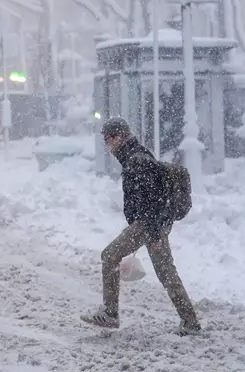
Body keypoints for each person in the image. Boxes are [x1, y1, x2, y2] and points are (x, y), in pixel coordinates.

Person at [81, 118, 200, 335]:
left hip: (149, 224)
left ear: (121, 136)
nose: (109, 144)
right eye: (106, 140)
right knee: (166, 271)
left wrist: (151, 229)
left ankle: (110, 313)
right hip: (153, 223)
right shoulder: (136, 155)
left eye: (111, 138)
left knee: (109, 256)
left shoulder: (137, 160)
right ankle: (190, 321)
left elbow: (153, 198)